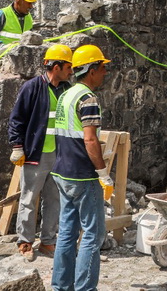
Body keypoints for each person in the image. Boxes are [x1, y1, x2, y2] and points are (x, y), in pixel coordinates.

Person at [51, 44, 113, 291]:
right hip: (83, 176)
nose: (105, 73)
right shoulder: (88, 98)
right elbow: (89, 139)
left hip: (62, 171)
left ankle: (60, 287)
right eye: (102, 68)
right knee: (92, 235)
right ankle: (85, 288)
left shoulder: (66, 94)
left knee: (66, 232)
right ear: (92, 69)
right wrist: (103, 174)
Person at [8, 44, 73, 260]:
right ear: (55, 66)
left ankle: (48, 242)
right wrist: (17, 146)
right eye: (67, 66)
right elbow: (17, 119)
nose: (70, 71)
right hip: (36, 153)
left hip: (59, 154)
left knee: (54, 198)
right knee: (29, 198)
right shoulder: (32, 87)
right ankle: (25, 241)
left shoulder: (65, 89)